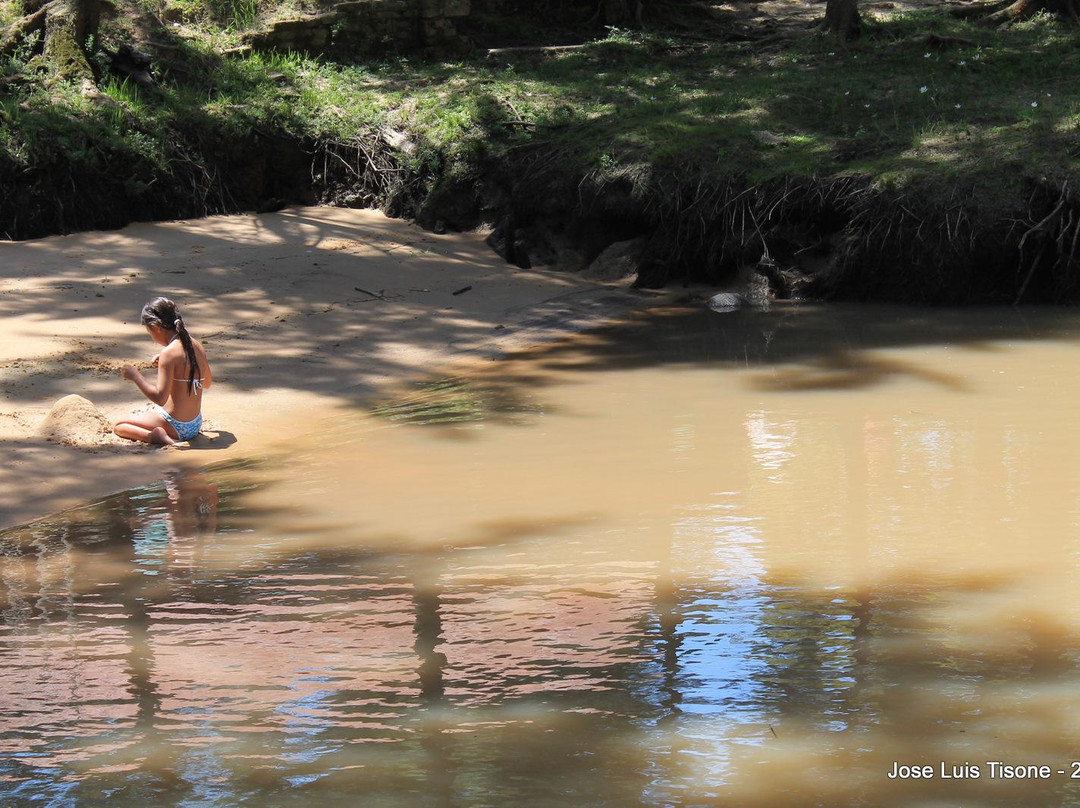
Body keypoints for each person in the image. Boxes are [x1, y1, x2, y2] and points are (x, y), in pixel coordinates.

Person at [114, 297, 213, 445]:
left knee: (119, 425)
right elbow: (207, 383)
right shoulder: (196, 345)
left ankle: (154, 437)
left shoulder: (169, 353)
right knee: (150, 410)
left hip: (175, 425)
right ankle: (161, 430)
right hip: (195, 423)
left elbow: (160, 398)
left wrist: (135, 376)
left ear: (155, 327)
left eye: (150, 332)